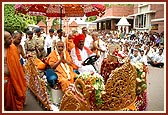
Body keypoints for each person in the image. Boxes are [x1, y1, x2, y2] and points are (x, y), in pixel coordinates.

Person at [4, 31, 27, 111]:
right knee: (7, 97)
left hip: (16, 74)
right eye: (9, 38)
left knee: (18, 91)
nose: (11, 40)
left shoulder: (13, 48)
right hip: (5, 79)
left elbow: (21, 57)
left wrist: (27, 56)